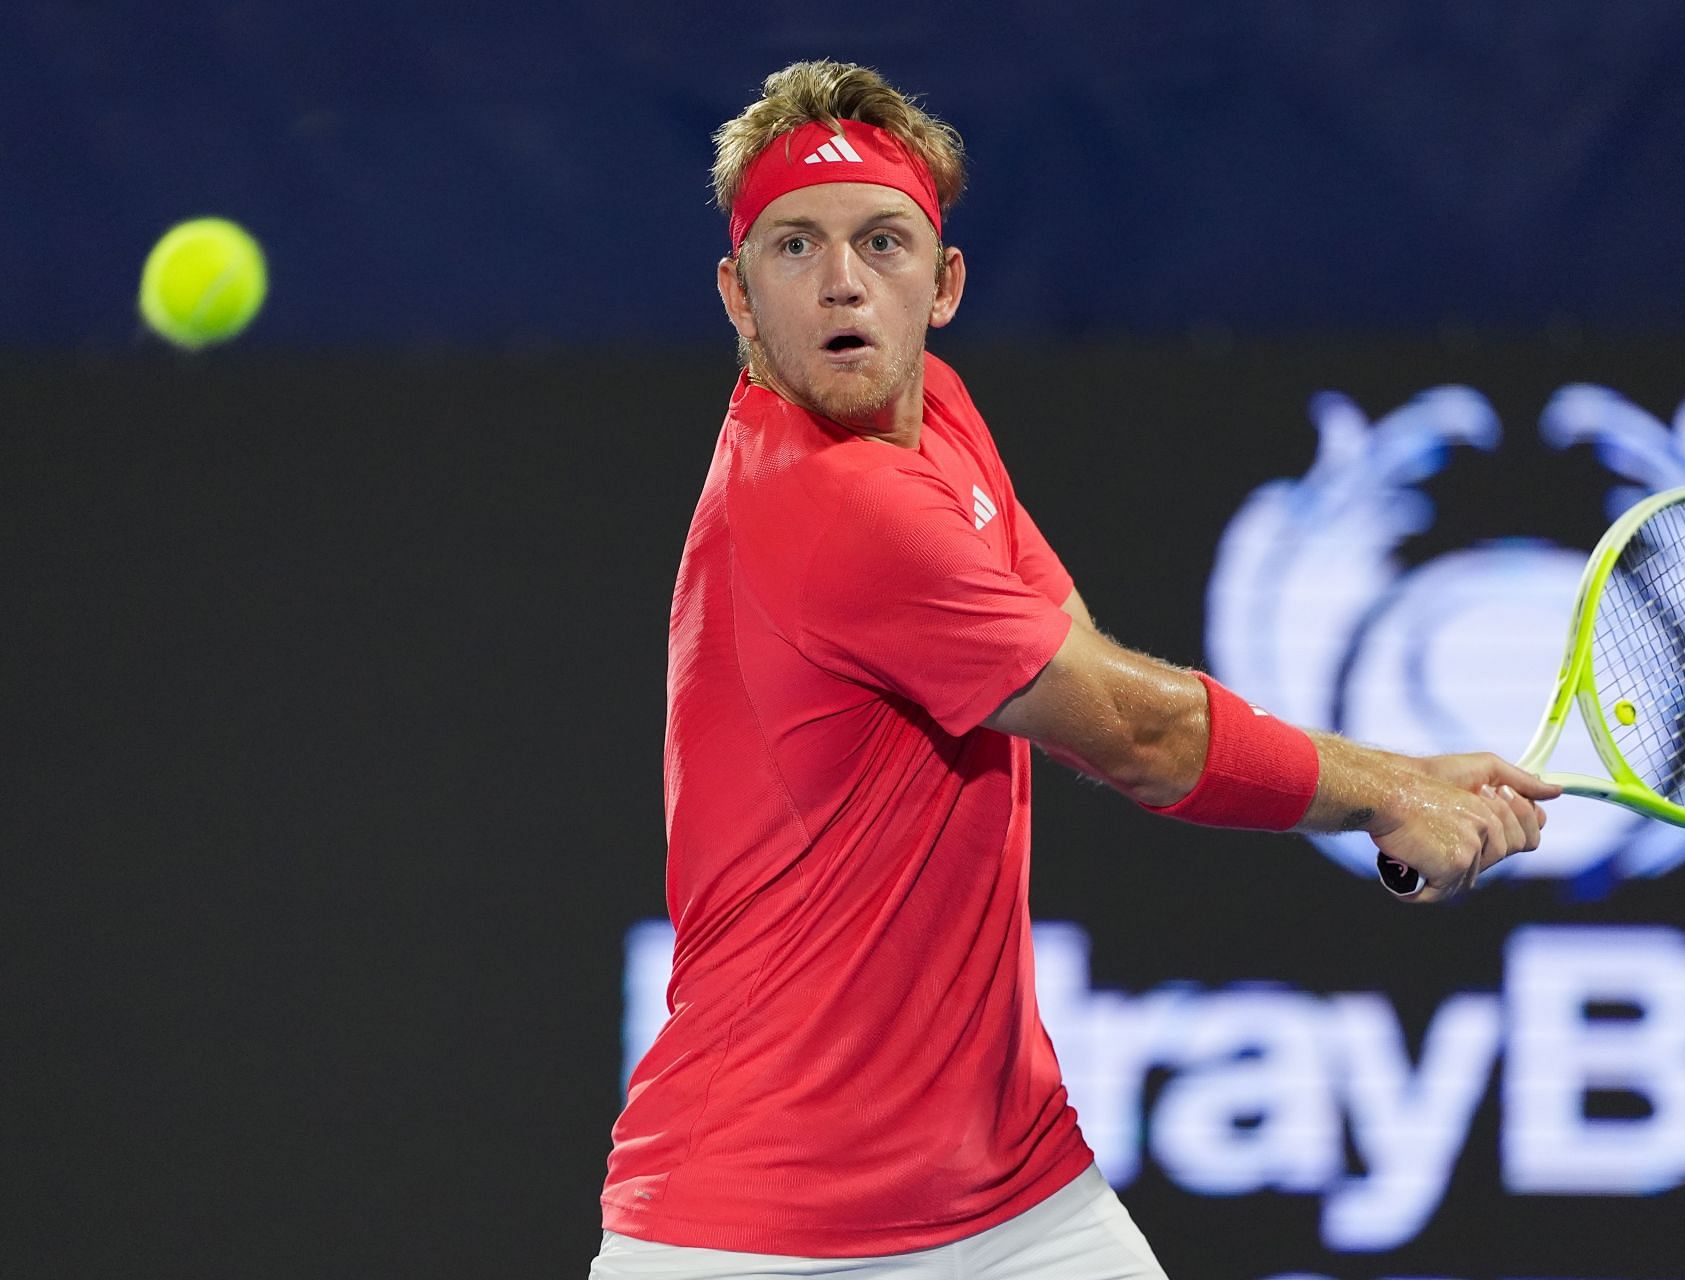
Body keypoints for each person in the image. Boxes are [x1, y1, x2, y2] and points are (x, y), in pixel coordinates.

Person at [591, 59, 1558, 1280]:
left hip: (1015, 1201)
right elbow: (1133, 737)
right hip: (755, 1227)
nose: (842, 281)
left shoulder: (937, 412)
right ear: (738, 295)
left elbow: (1078, 673)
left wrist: (1399, 778)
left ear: (942, 285)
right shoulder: (827, 507)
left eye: (882, 242)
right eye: (795, 247)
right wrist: (1387, 789)